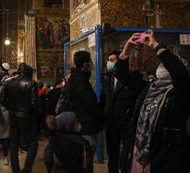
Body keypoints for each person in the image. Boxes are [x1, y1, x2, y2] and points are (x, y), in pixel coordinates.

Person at [117, 30, 190, 173]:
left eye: (167, 63)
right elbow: (123, 76)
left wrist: (155, 45)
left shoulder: (181, 94)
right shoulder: (150, 88)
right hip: (138, 156)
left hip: (162, 160)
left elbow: (180, 74)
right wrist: (126, 51)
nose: (162, 65)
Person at [100, 51, 139, 173]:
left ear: (120, 62)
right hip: (111, 126)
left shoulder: (130, 80)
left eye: (112, 60)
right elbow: (103, 101)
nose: (109, 63)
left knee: (126, 157)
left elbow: (136, 100)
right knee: (112, 158)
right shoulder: (107, 80)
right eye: (108, 60)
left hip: (126, 126)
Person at [0, 63, 39, 173]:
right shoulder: (31, 83)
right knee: (32, 145)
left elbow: (1, 99)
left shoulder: (9, 83)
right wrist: (33, 114)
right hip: (27, 118)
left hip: (13, 117)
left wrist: (11, 108)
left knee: (13, 145)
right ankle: (26, 169)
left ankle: (15, 171)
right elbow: (35, 103)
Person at [67, 51, 105, 154]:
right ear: (85, 64)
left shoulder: (75, 78)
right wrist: (102, 120)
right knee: (86, 157)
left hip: (81, 124)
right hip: (85, 126)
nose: (92, 63)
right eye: (90, 61)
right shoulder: (80, 81)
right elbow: (91, 104)